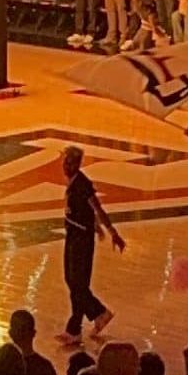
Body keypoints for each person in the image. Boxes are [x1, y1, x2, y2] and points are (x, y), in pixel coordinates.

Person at [61, 143, 126, 346]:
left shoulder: (82, 184)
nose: (65, 164)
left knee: (78, 284)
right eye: (65, 160)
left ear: (76, 164)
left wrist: (112, 232)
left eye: (69, 161)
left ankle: (88, 320)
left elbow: (98, 209)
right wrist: (97, 227)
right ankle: (88, 321)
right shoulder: (73, 182)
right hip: (73, 236)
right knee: (73, 282)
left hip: (81, 239)